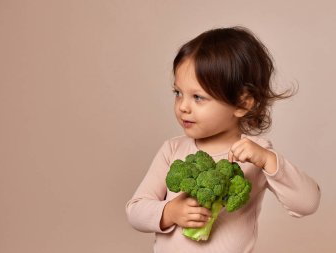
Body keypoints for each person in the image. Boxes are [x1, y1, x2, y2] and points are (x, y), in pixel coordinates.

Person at [125, 26, 320, 253]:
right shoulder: (172, 150)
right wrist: (169, 212)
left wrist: (269, 160)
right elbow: (135, 210)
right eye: (178, 93)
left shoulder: (257, 155)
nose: (183, 107)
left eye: (198, 97)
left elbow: (307, 203)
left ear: (242, 103)